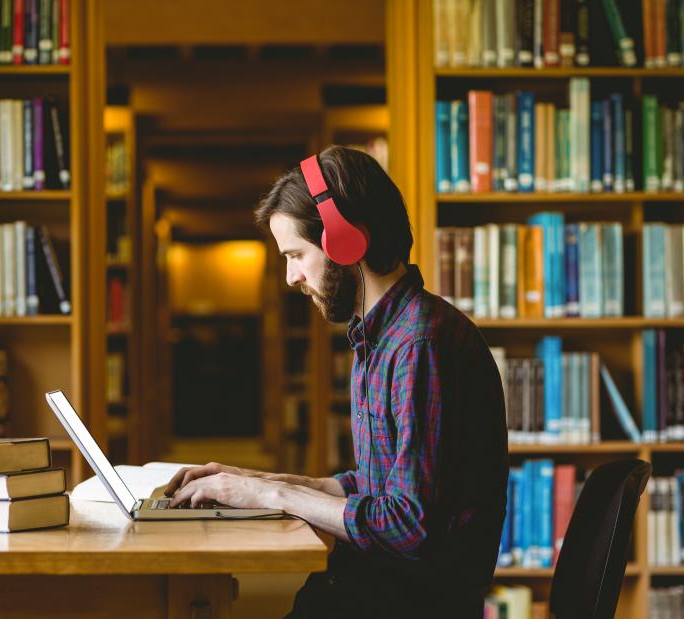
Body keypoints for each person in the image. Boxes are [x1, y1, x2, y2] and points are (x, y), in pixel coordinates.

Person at [165, 146, 509, 617]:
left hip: (408, 602)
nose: (291, 277)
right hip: (374, 585)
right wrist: (250, 480)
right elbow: (374, 487)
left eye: (296, 255)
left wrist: (272, 496)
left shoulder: (420, 344)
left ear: (346, 242)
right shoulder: (381, 335)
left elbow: (408, 525)